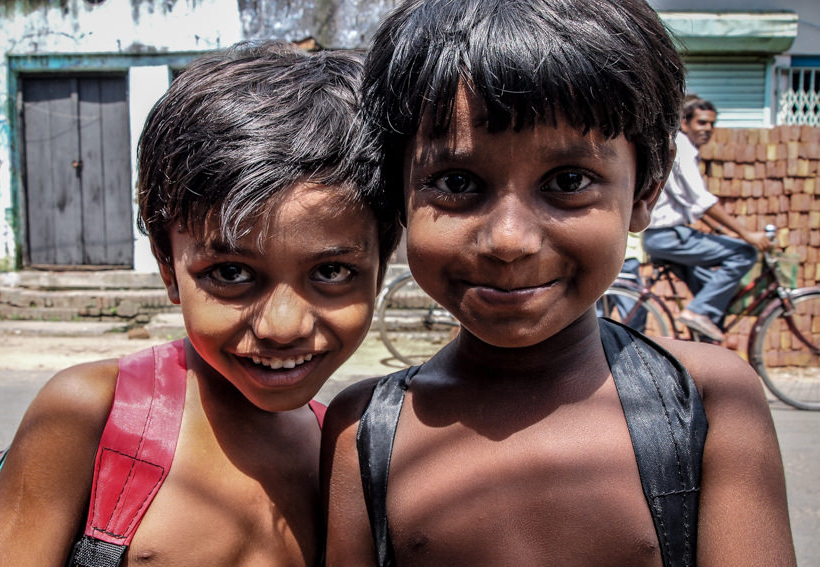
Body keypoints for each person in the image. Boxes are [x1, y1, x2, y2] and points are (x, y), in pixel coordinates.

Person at [321, 1, 795, 566]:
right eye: (455, 181)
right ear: (400, 195)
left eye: (568, 181)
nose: (509, 240)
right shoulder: (365, 430)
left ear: (646, 188)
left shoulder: (710, 403)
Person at [0, 41, 399, 566]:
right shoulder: (91, 411)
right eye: (231, 273)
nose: (282, 326)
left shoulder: (344, 449)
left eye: (331, 272)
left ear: (380, 267)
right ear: (167, 266)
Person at [642, 97, 772, 342]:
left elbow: (691, 205)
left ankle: (701, 339)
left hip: (664, 237)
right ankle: (698, 313)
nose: (707, 129)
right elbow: (702, 200)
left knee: (708, 288)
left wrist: (724, 231)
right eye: (701, 122)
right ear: (685, 123)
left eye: (712, 124)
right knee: (744, 253)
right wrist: (747, 235)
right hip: (669, 237)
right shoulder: (682, 147)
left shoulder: (678, 147)